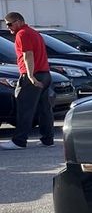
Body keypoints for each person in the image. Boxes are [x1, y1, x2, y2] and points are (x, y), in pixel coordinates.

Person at [1, 12, 54, 150]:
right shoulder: (34, 32)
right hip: (45, 74)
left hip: (33, 75)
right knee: (44, 109)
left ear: (18, 21)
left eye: (9, 24)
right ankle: (47, 139)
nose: (8, 28)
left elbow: (28, 55)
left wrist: (30, 76)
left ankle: (19, 141)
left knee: (25, 108)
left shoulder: (22, 34)